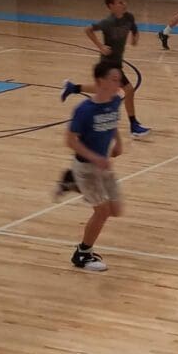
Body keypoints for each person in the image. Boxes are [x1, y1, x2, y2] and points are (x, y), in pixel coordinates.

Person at [58, 0, 151, 140]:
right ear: (111, 6)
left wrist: (135, 38)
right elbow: (88, 30)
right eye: (119, 2)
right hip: (108, 64)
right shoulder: (107, 23)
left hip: (117, 63)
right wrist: (100, 46)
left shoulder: (129, 17)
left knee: (106, 90)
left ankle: (72, 87)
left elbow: (134, 29)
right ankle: (134, 126)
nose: (124, 4)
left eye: (124, 1)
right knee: (128, 90)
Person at [65, 57, 126, 272]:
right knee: (102, 212)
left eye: (119, 79)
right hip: (86, 168)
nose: (119, 83)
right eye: (114, 79)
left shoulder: (116, 100)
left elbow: (113, 122)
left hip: (103, 166)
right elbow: (70, 141)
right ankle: (82, 254)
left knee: (116, 210)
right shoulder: (84, 110)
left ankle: (72, 184)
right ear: (100, 82)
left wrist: (118, 142)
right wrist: (95, 158)